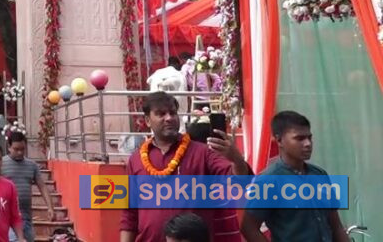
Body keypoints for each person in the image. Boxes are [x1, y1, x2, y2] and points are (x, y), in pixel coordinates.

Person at [120, 91, 251, 242]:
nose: (169, 118)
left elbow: (239, 181)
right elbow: (129, 214)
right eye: (161, 114)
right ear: (148, 121)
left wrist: (237, 159)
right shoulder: (136, 160)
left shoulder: (202, 153)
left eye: (172, 113)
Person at [240, 111, 347, 242]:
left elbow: (336, 226)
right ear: (279, 140)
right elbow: (249, 227)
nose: (308, 143)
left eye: (309, 138)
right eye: (299, 138)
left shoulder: (319, 174)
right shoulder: (269, 181)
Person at [2, 132, 56, 242]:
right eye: (16, 149)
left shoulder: (32, 165)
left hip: (26, 217)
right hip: (6, 216)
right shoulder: (1, 164)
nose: (20, 152)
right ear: (9, 147)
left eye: (22, 149)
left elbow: (42, 187)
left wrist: (50, 207)